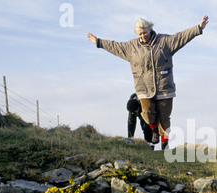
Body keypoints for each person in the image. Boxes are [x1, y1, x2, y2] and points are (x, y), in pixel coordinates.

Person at [87, 15, 209, 150]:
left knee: (165, 118)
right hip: (143, 88)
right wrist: (98, 42)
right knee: (147, 112)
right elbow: (115, 46)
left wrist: (198, 28)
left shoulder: (164, 41)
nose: (143, 36)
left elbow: (181, 37)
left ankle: (165, 144)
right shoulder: (131, 47)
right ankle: (154, 130)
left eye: (145, 32)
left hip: (164, 87)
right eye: (140, 34)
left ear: (150, 29)